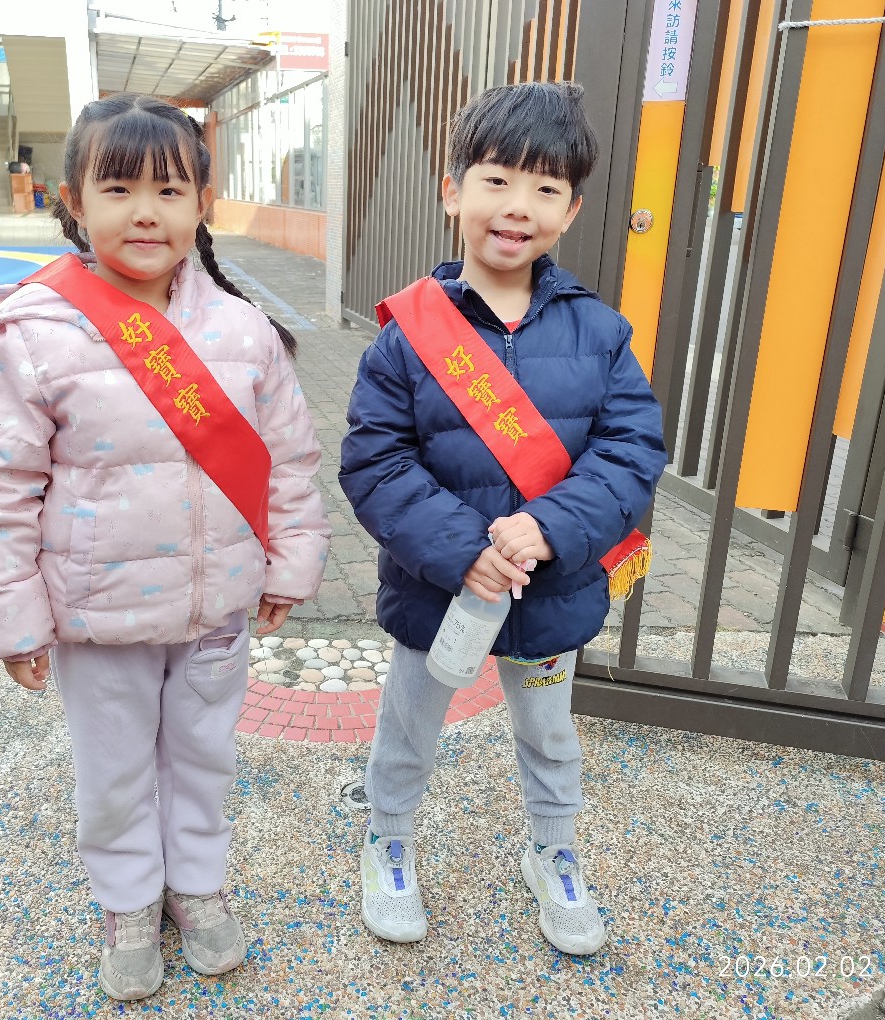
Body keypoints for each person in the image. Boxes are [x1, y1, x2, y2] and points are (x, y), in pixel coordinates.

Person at [0, 93, 330, 1001]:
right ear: (74, 201)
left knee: (203, 757)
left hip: (215, 607)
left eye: (169, 189)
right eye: (117, 189)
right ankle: (126, 899)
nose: (145, 212)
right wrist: (13, 620)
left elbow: (288, 461)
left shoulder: (244, 333)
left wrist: (289, 562)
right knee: (114, 773)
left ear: (204, 203)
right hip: (98, 619)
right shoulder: (33, 337)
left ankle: (196, 882)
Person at [339, 82, 667, 955]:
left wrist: (551, 526)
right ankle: (388, 838)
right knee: (408, 726)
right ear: (453, 191)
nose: (519, 205)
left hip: (553, 591)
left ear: (571, 210)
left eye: (546, 188)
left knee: (551, 736)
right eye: (497, 179)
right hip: (438, 590)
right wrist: (461, 551)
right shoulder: (408, 335)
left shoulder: (601, 332)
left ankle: (552, 850)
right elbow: (375, 462)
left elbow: (632, 451)